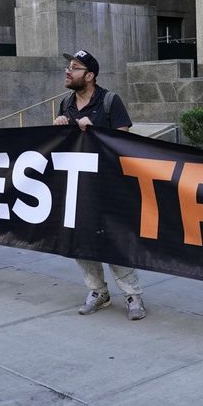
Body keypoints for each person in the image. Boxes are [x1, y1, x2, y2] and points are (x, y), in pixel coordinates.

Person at [53, 49, 146, 321]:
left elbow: (124, 142)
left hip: (108, 186)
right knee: (80, 242)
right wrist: (57, 128)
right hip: (77, 187)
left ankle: (132, 295)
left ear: (90, 76)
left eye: (75, 68)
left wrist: (94, 130)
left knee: (114, 241)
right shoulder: (65, 104)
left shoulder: (109, 101)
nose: (68, 72)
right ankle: (97, 292)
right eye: (68, 67)